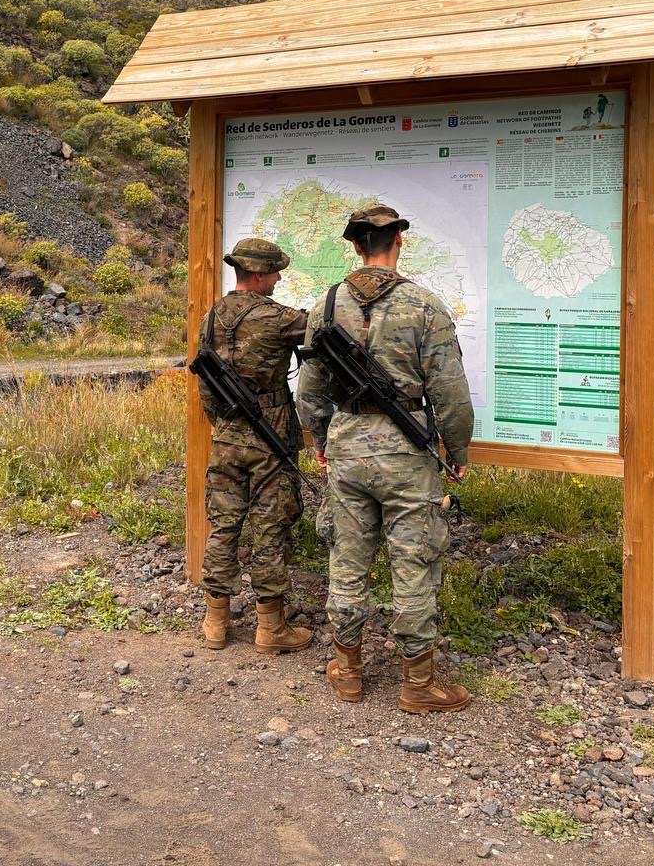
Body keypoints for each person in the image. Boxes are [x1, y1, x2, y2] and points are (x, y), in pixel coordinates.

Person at [296, 204, 474, 712]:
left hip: (348, 443)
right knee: (413, 562)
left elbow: (310, 391)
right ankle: (417, 685)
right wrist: (456, 449)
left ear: (355, 246)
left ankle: (347, 669)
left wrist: (320, 441)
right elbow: (450, 390)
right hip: (407, 448)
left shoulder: (325, 306)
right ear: (398, 240)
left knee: (346, 559)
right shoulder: (425, 306)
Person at [197, 236, 312, 654]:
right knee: (269, 527)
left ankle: (215, 623)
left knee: (223, 525)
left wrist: (225, 424)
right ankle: (271, 628)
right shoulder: (280, 318)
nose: (279, 278)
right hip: (271, 434)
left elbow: (206, 387)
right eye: (276, 271)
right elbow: (324, 331)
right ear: (259, 274)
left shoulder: (211, 317)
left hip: (226, 436)